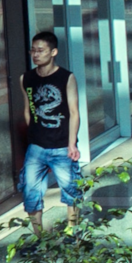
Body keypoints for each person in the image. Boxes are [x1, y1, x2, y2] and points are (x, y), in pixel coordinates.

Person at [18, 31, 87, 225]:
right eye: (33, 50)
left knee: (71, 191)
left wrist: (72, 143)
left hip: (62, 145)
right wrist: (33, 137)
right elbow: (28, 110)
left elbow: (74, 112)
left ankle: (72, 235)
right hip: (36, 147)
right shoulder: (26, 79)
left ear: (53, 52)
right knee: (30, 192)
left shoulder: (66, 78)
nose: (36, 54)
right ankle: (40, 240)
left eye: (41, 50)